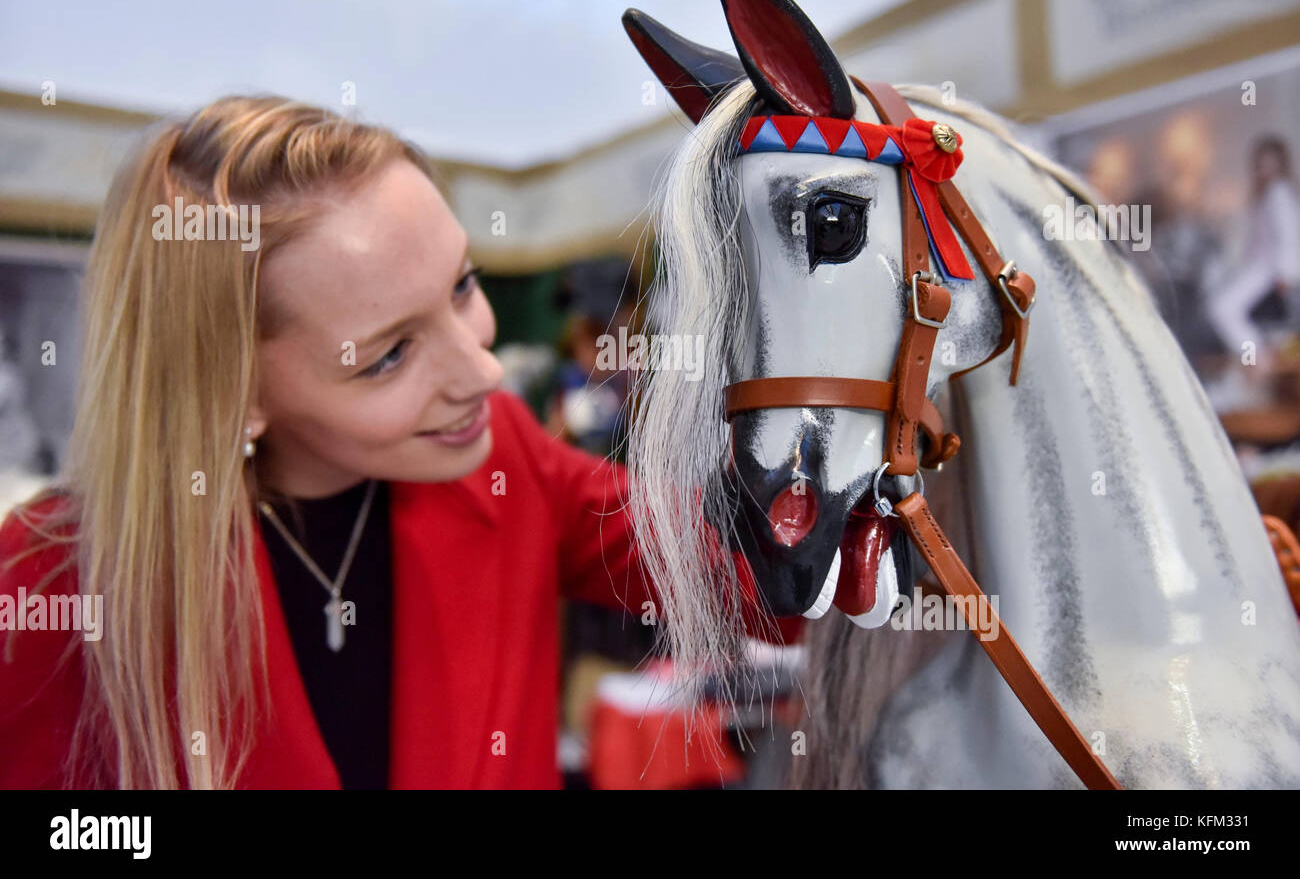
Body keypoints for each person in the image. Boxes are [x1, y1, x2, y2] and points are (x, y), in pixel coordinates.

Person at [0, 96, 796, 789]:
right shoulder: (52, 579)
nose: (482, 367)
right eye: (389, 355)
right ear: (233, 397)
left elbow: (751, 575)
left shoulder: (505, 456)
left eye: (462, 285)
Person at [1207, 135, 1300, 362]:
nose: (1264, 169)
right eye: (1261, 164)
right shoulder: (1265, 195)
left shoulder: (1278, 191)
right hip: (1262, 266)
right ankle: (1256, 354)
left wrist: (1285, 277)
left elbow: (1288, 235)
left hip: (1270, 269)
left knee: (1222, 307)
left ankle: (1257, 356)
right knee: (1225, 307)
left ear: (1280, 163)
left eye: (1270, 163)